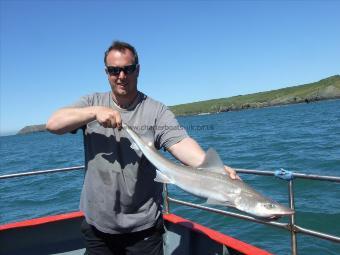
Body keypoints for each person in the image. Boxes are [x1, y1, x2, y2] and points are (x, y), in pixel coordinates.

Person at [46, 41, 238, 255]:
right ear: (106, 72)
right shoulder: (92, 102)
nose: (121, 76)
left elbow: (180, 142)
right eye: (114, 70)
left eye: (127, 69)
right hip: (97, 226)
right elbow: (53, 123)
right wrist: (93, 112)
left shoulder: (156, 111)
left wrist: (210, 167)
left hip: (143, 227)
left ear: (137, 69)